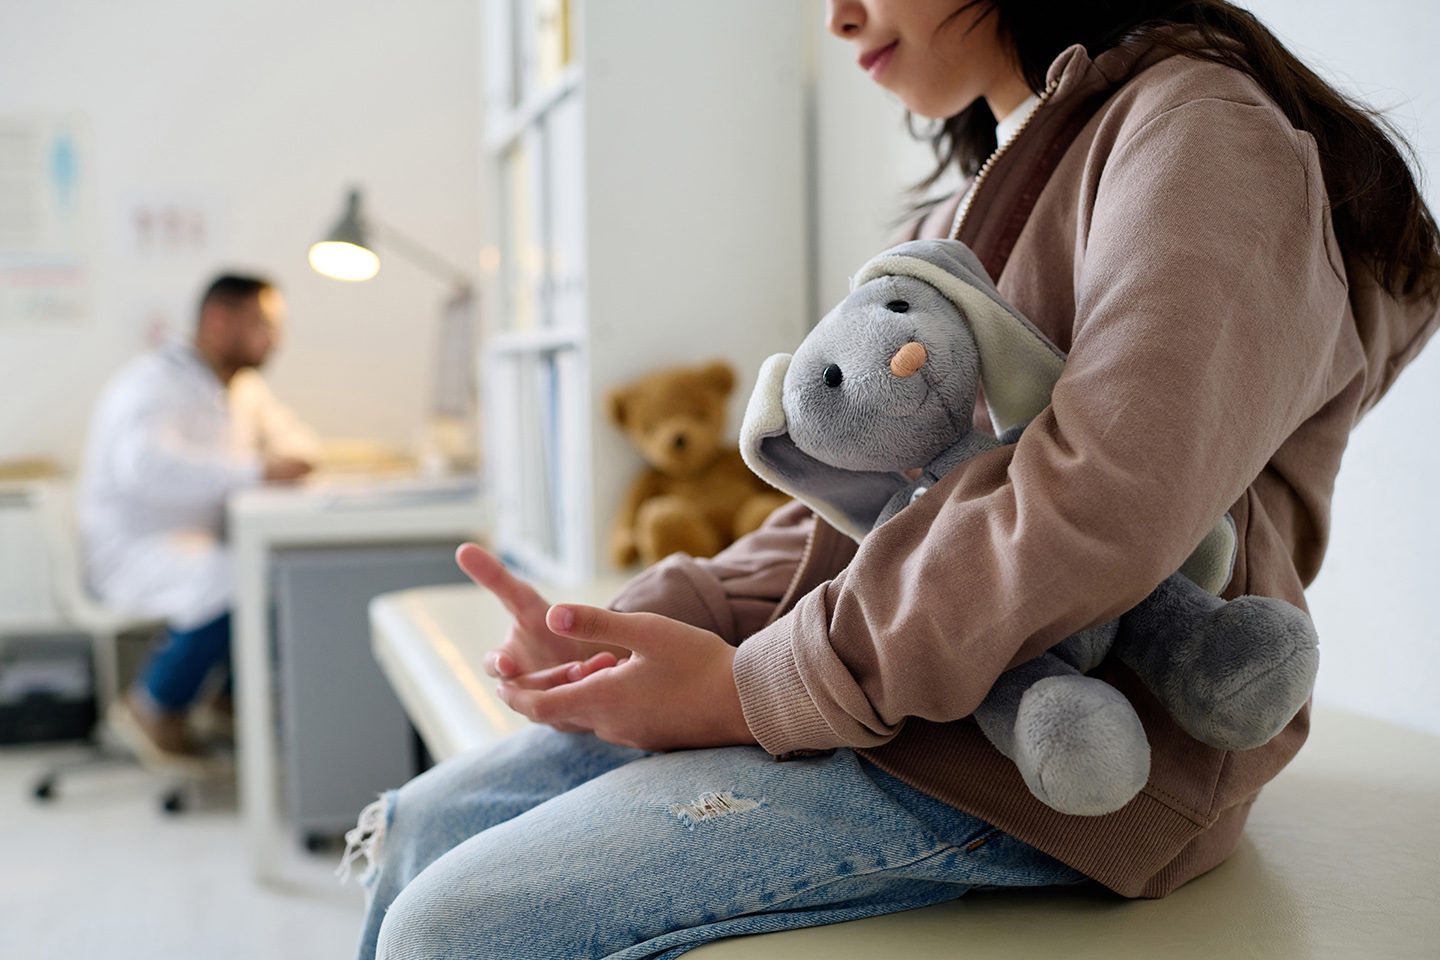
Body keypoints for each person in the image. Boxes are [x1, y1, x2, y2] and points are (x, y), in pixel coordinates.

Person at [349, 2, 1440, 957]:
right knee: (417, 830)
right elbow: (856, 518)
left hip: (1069, 762)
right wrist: (638, 621)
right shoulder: (963, 214)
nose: (836, 19)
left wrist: (750, 689)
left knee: (456, 928)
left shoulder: (1203, 130)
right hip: (917, 707)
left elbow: (1107, 495)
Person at [80, 273, 319, 759]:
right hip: (133, 549)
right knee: (233, 579)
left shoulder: (240, 387)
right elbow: (143, 467)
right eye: (262, 324)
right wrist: (256, 469)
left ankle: (225, 703)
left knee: (277, 577)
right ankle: (151, 705)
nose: (274, 340)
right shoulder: (152, 383)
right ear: (217, 320)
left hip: (194, 543)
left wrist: (287, 459)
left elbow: (297, 440)